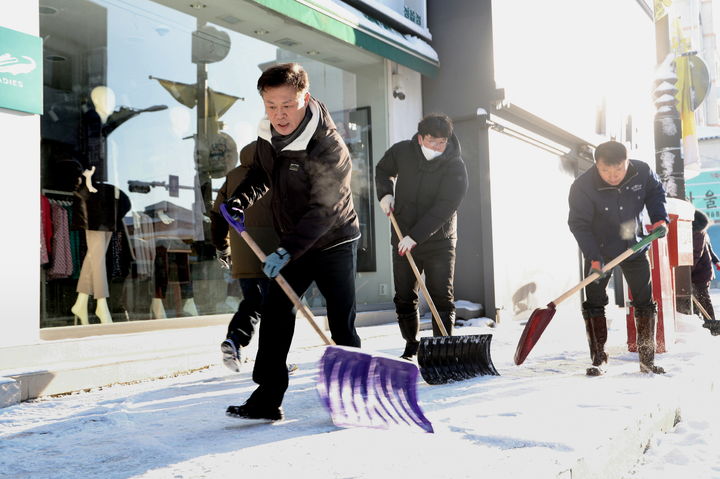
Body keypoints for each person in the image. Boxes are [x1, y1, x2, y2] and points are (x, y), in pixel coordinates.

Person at [224, 62, 361, 421]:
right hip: (295, 241)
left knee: (341, 321)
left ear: (305, 96)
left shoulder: (328, 146)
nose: (279, 115)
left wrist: (285, 250)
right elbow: (259, 173)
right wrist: (239, 200)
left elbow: (324, 210)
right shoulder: (268, 135)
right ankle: (268, 397)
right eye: (271, 105)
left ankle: (352, 394)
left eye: (287, 104)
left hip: (334, 240)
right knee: (274, 312)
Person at [568, 140, 669, 376]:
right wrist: (593, 258)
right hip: (599, 250)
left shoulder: (641, 171)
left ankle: (647, 359)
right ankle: (599, 358)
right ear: (596, 165)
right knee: (594, 300)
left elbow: (656, 193)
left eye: (619, 169)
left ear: (628, 161)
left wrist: (659, 218)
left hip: (634, 244)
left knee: (644, 300)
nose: (613, 176)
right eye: (606, 171)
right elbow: (579, 224)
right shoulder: (582, 186)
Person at [375, 113, 468, 360]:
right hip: (402, 233)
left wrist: (415, 236)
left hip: (440, 239)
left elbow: (446, 206)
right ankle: (411, 343)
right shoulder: (402, 152)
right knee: (404, 295)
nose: (437, 147)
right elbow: (383, 170)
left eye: (442, 142)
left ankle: (443, 348)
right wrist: (385, 194)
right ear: (419, 138)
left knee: (441, 295)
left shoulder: (454, 165)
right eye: (432, 141)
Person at [212, 141, 300, 373]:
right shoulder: (276, 171)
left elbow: (217, 216)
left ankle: (235, 340)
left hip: (243, 253)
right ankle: (274, 361)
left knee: (254, 302)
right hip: (273, 251)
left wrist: (224, 247)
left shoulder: (232, 176)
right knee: (277, 307)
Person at [691, 208, 720, 326]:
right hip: (697, 269)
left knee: (703, 297)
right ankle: (702, 322)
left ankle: (711, 324)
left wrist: (683, 274)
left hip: (701, 271)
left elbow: (696, 253)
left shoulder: (698, 232)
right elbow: (709, 247)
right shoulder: (697, 229)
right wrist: (716, 261)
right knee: (697, 298)